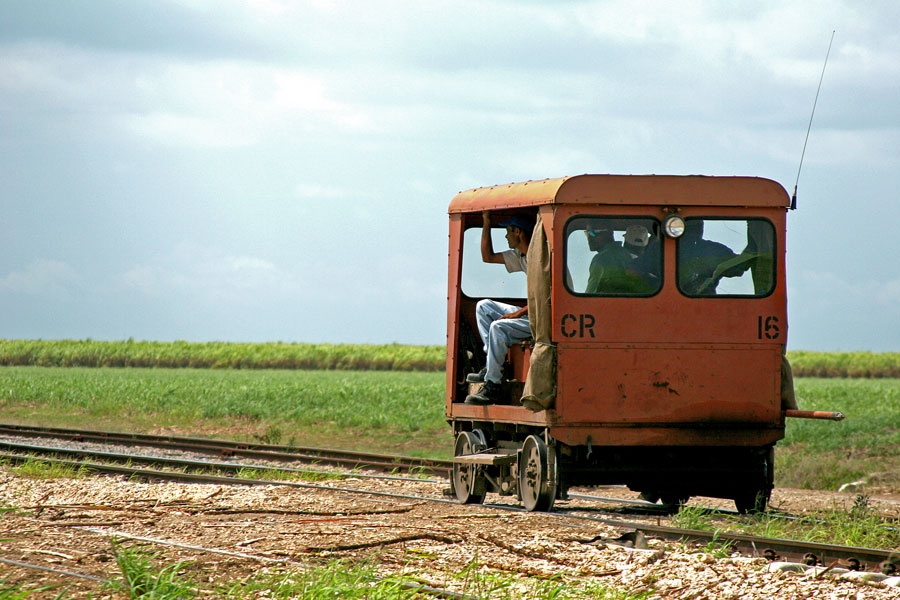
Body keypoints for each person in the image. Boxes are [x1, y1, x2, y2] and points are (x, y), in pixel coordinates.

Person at [465, 212, 534, 405]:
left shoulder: (542, 258)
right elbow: (487, 256)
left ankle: (492, 384)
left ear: (518, 232)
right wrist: (486, 222)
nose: (505, 236)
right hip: (531, 315)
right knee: (483, 307)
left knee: (497, 327)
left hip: (543, 320)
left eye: (508, 231)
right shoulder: (521, 256)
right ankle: (493, 365)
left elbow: (547, 299)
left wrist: (516, 314)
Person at [678, 220, 745, 295]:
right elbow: (739, 267)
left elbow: (738, 268)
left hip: (706, 301)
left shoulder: (713, 250)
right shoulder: (713, 249)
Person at [584, 224, 645, 294]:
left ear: (609, 232)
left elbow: (590, 295)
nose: (589, 237)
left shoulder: (602, 258)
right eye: (587, 233)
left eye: (592, 233)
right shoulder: (624, 254)